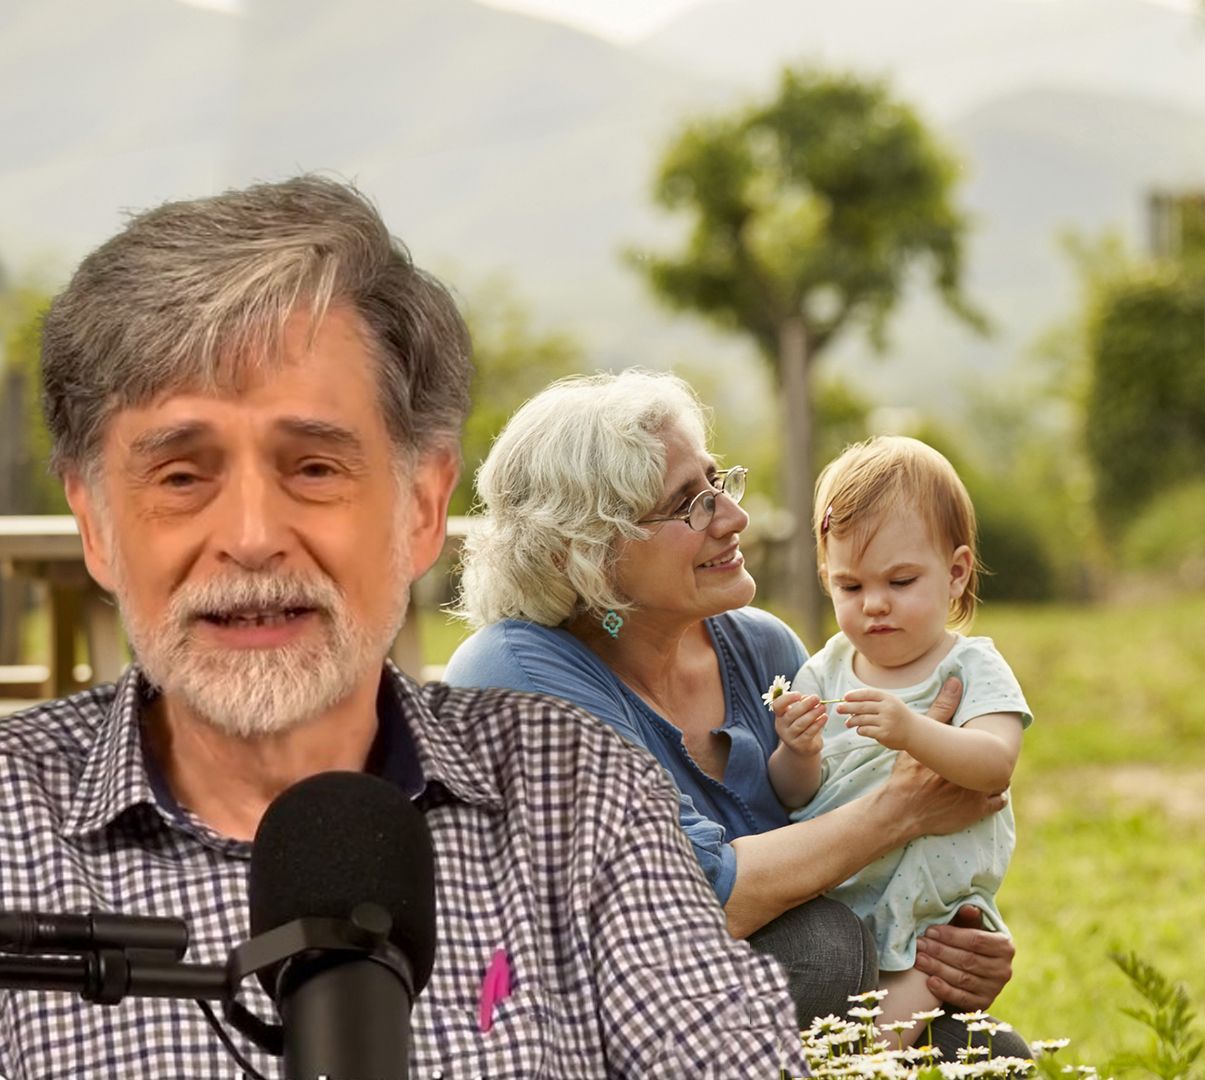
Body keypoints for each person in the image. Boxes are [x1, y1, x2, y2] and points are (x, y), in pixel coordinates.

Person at [1, 176, 801, 1077]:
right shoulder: (9, 835)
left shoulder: (580, 795)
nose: (254, 540)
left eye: (313, 467)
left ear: (421, 507)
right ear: (96, 524)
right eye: (182, 477)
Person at [442, 371, 1032, 1060]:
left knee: (989, 1053)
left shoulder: (763, 648)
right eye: (689, 504)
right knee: (823, 950)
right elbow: (684, 904)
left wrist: (952, 940)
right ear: (587, 554)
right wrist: (903, 808)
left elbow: (846, 830)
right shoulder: (513, 678)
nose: (733, 516)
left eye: (718, 482)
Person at [768, 435, 1030, 1045]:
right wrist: (798, 752)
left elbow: (995, 765)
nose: (876, 605)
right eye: (851, 588)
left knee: (870, 1043)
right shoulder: (824, 669)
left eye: (902, 580)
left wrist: (914, 730)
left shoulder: (970, 668)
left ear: (956, 573)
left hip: (931, 912)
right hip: (842, 890)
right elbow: (791, 795)